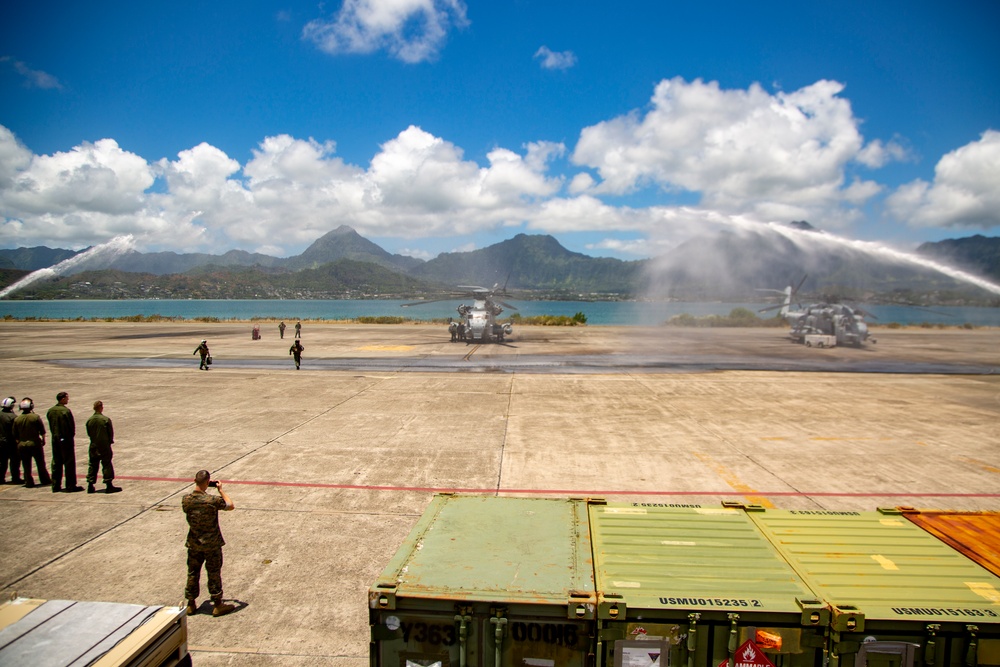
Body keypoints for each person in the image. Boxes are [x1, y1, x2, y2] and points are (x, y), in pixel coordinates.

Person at [183, 470, 236, 617]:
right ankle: (218, 604)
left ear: (195, 480)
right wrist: (221, 490)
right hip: (211, 543)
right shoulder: (212, 501)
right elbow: (230, 505)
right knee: (213, 572)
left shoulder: (186, 500)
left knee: (193, 573)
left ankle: (190, 603)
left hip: (194, 543)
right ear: (208, 482)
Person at [47, 391, 83, 493]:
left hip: (55, 438)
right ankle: (70, 485)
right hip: (65, 439)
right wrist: (70, 436)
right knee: (69, 462)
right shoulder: (66, 411)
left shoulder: (50, 411)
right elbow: (71, 427)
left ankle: (55, 485)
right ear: (62, 399)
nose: (68, 399)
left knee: (56, 462)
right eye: (67, 398)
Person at [12, 398, 50, 488]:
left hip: (22, 445)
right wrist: (43, 440)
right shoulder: (35, 417)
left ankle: (29, 481)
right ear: (31, 407)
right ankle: (44, 480)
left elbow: (15, 435)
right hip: (35, 443)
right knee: (40, 463)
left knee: (26, 465)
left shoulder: (17, 419)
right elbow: (42, 431)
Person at [85, 400, 120, 494]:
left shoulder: (90, 420)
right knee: (106, 464)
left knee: (92, 464)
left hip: (93, 444)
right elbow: (110, 433)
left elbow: (89, 433)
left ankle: (90, 485)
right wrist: (109, 442)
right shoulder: (105, 419)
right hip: (104, 445)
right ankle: (108, 484)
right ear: (101, 407)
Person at [0, 396, 23, 485]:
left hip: (1, 442)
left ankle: (1, 478)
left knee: (2, 462)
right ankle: (15, 478)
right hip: (10, 442)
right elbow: (16, 431)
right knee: (14, 461)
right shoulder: (13, 417)